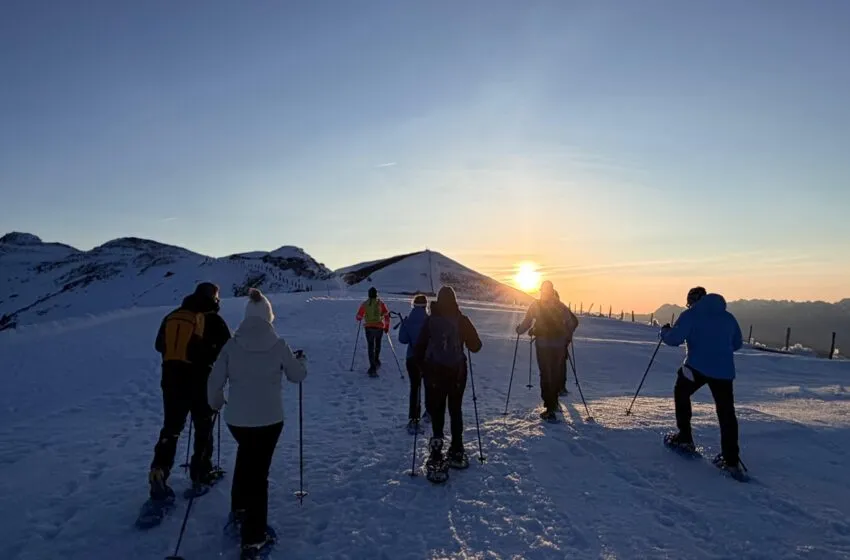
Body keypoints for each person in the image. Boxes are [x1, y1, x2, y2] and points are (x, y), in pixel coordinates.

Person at [208, 288, 308, 557]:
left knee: (245, 456)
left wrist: (216, 402)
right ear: (268, 315)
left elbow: (214, 382)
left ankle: (239, 510)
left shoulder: (232, 345)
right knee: (258, 474)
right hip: (269, 420)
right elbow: (297, 376)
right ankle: (254, 537)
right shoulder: (279, 345)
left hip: (237, 420)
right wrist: (302, 361)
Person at [149, 282, 231, 499]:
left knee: (171, 428)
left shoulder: (173, 316)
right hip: (200, 380)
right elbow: (227, 349)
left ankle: (159, 470)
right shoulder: (211, 318)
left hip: (171, 380)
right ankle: (201, 472)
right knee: (203, 427)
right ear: (214, 298)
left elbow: (160, 346)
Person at [660, 286, 745, 476]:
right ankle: (731, 460)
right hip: (724, 371)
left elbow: (674, 339)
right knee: (726, 413)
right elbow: (737, 343)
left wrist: (664, 332)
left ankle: (685, 438)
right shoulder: (728, 317)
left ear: (692, 300)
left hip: (696, 367)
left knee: (681, 393)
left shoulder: (691, 314)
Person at [413, 286, 482, 480]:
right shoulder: (461, 320)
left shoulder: (430, 321)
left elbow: (419, 348)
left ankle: (436, 450)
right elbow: (476, 346)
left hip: (434, 374)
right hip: (457, 374)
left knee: (437, 411)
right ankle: (457, 449)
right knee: (455, 409)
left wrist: (422, 369)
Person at [516, 281, 577, 421]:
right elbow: (572, 323)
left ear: (542, 291)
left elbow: (526, 323)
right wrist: (566, 338)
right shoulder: (560, 306)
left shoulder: (536, 305)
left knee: (546, 374)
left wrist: (519, 330)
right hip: (559, 346)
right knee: (555, 374)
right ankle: (554, 403)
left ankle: (550, 408)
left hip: (543, 345)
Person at [398, 294, 430, 433]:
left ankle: (414, 418)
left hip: (411, 358)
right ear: (425, 306)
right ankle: (429, 412)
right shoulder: (430, 321)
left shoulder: (408, 321)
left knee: (415, 387)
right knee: (429, 386)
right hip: (427, 359)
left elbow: (402, 339)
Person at [355, 287, 391, 375]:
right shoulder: (380, 303)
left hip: (369, 328)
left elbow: (358, 317)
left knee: (370, 346)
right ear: (376, 294)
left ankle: (372, 366)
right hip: (379, 328)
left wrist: (361, 317)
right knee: (378, 344)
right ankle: (376, 360)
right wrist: (386, 327)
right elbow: (386, 316)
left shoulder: (365, 304)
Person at [554, 290, 579, 396]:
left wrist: (567, 335)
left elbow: (574, 322)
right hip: (560, 340)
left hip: (560, 340)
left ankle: (560, 387)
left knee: (558, 364)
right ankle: (559, 387)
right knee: (559, 363)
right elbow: (575, 322)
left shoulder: (560, 308)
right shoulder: (561, 307)